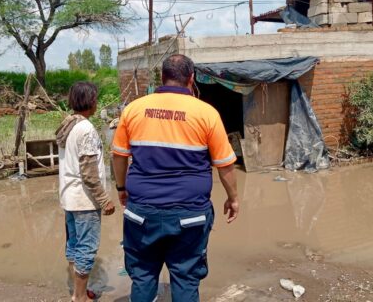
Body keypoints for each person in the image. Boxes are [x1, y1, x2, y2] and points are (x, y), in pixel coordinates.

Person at [112, 54, 239, 302]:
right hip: (190, 214)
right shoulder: (207, 113)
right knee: (185, 277)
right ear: (191, 78)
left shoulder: (134, 109)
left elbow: (119, 157)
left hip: (141, 212)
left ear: (162, 77)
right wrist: (233, 198)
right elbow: (225, 165)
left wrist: (121, 188)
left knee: (143, 275)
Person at [56, 81, 115, 302]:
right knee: (87, 250)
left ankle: (76, 290)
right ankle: (80, 297)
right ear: (91, 102)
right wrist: (104, 200)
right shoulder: (86, 129)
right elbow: (89, 173)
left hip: (69, 198)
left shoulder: (68, 125)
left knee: (73, 246)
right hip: (85, 202)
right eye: (95, 99)